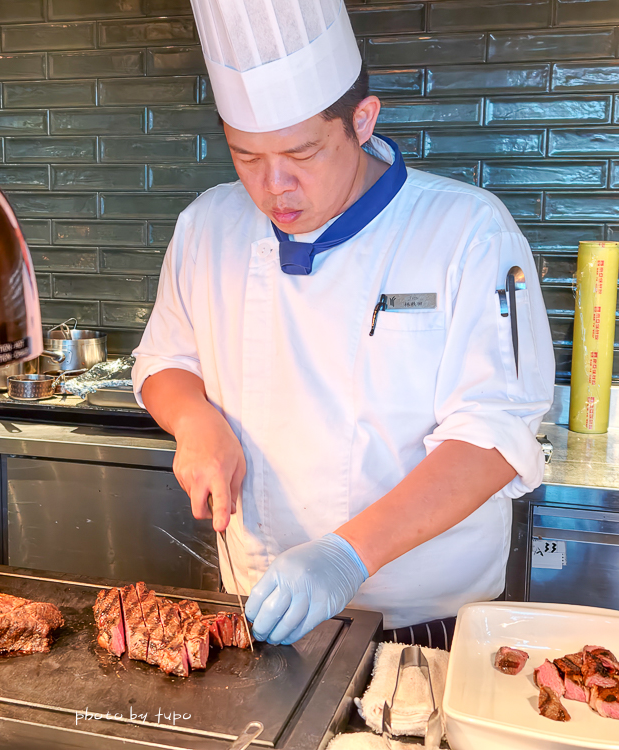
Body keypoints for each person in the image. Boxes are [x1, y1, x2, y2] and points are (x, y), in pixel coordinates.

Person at [132, 0, 555, 649]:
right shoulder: (207, 227)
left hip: (421, 620)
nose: (275, 187)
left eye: (302, 153)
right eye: (246, 156)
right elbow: (164, 362)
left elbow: (497, 436)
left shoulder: (471, 232)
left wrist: (347, 555)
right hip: (255, 602)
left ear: (362, 120)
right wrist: (196, 421)